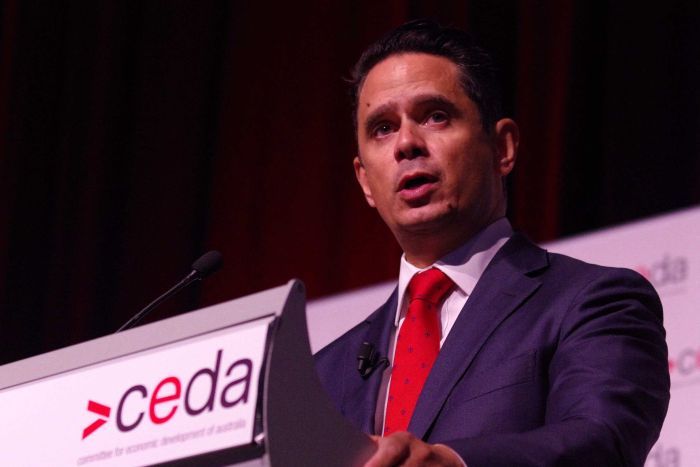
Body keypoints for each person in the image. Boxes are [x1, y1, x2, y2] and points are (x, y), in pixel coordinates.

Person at [314, 20, 669, 467]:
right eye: (382, 128)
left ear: (502, 147)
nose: (406, 143)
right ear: (365, 180)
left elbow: (602, 440)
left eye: (435, 115)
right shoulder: (324, 373)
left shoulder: (593, 302)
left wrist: (454, 464)